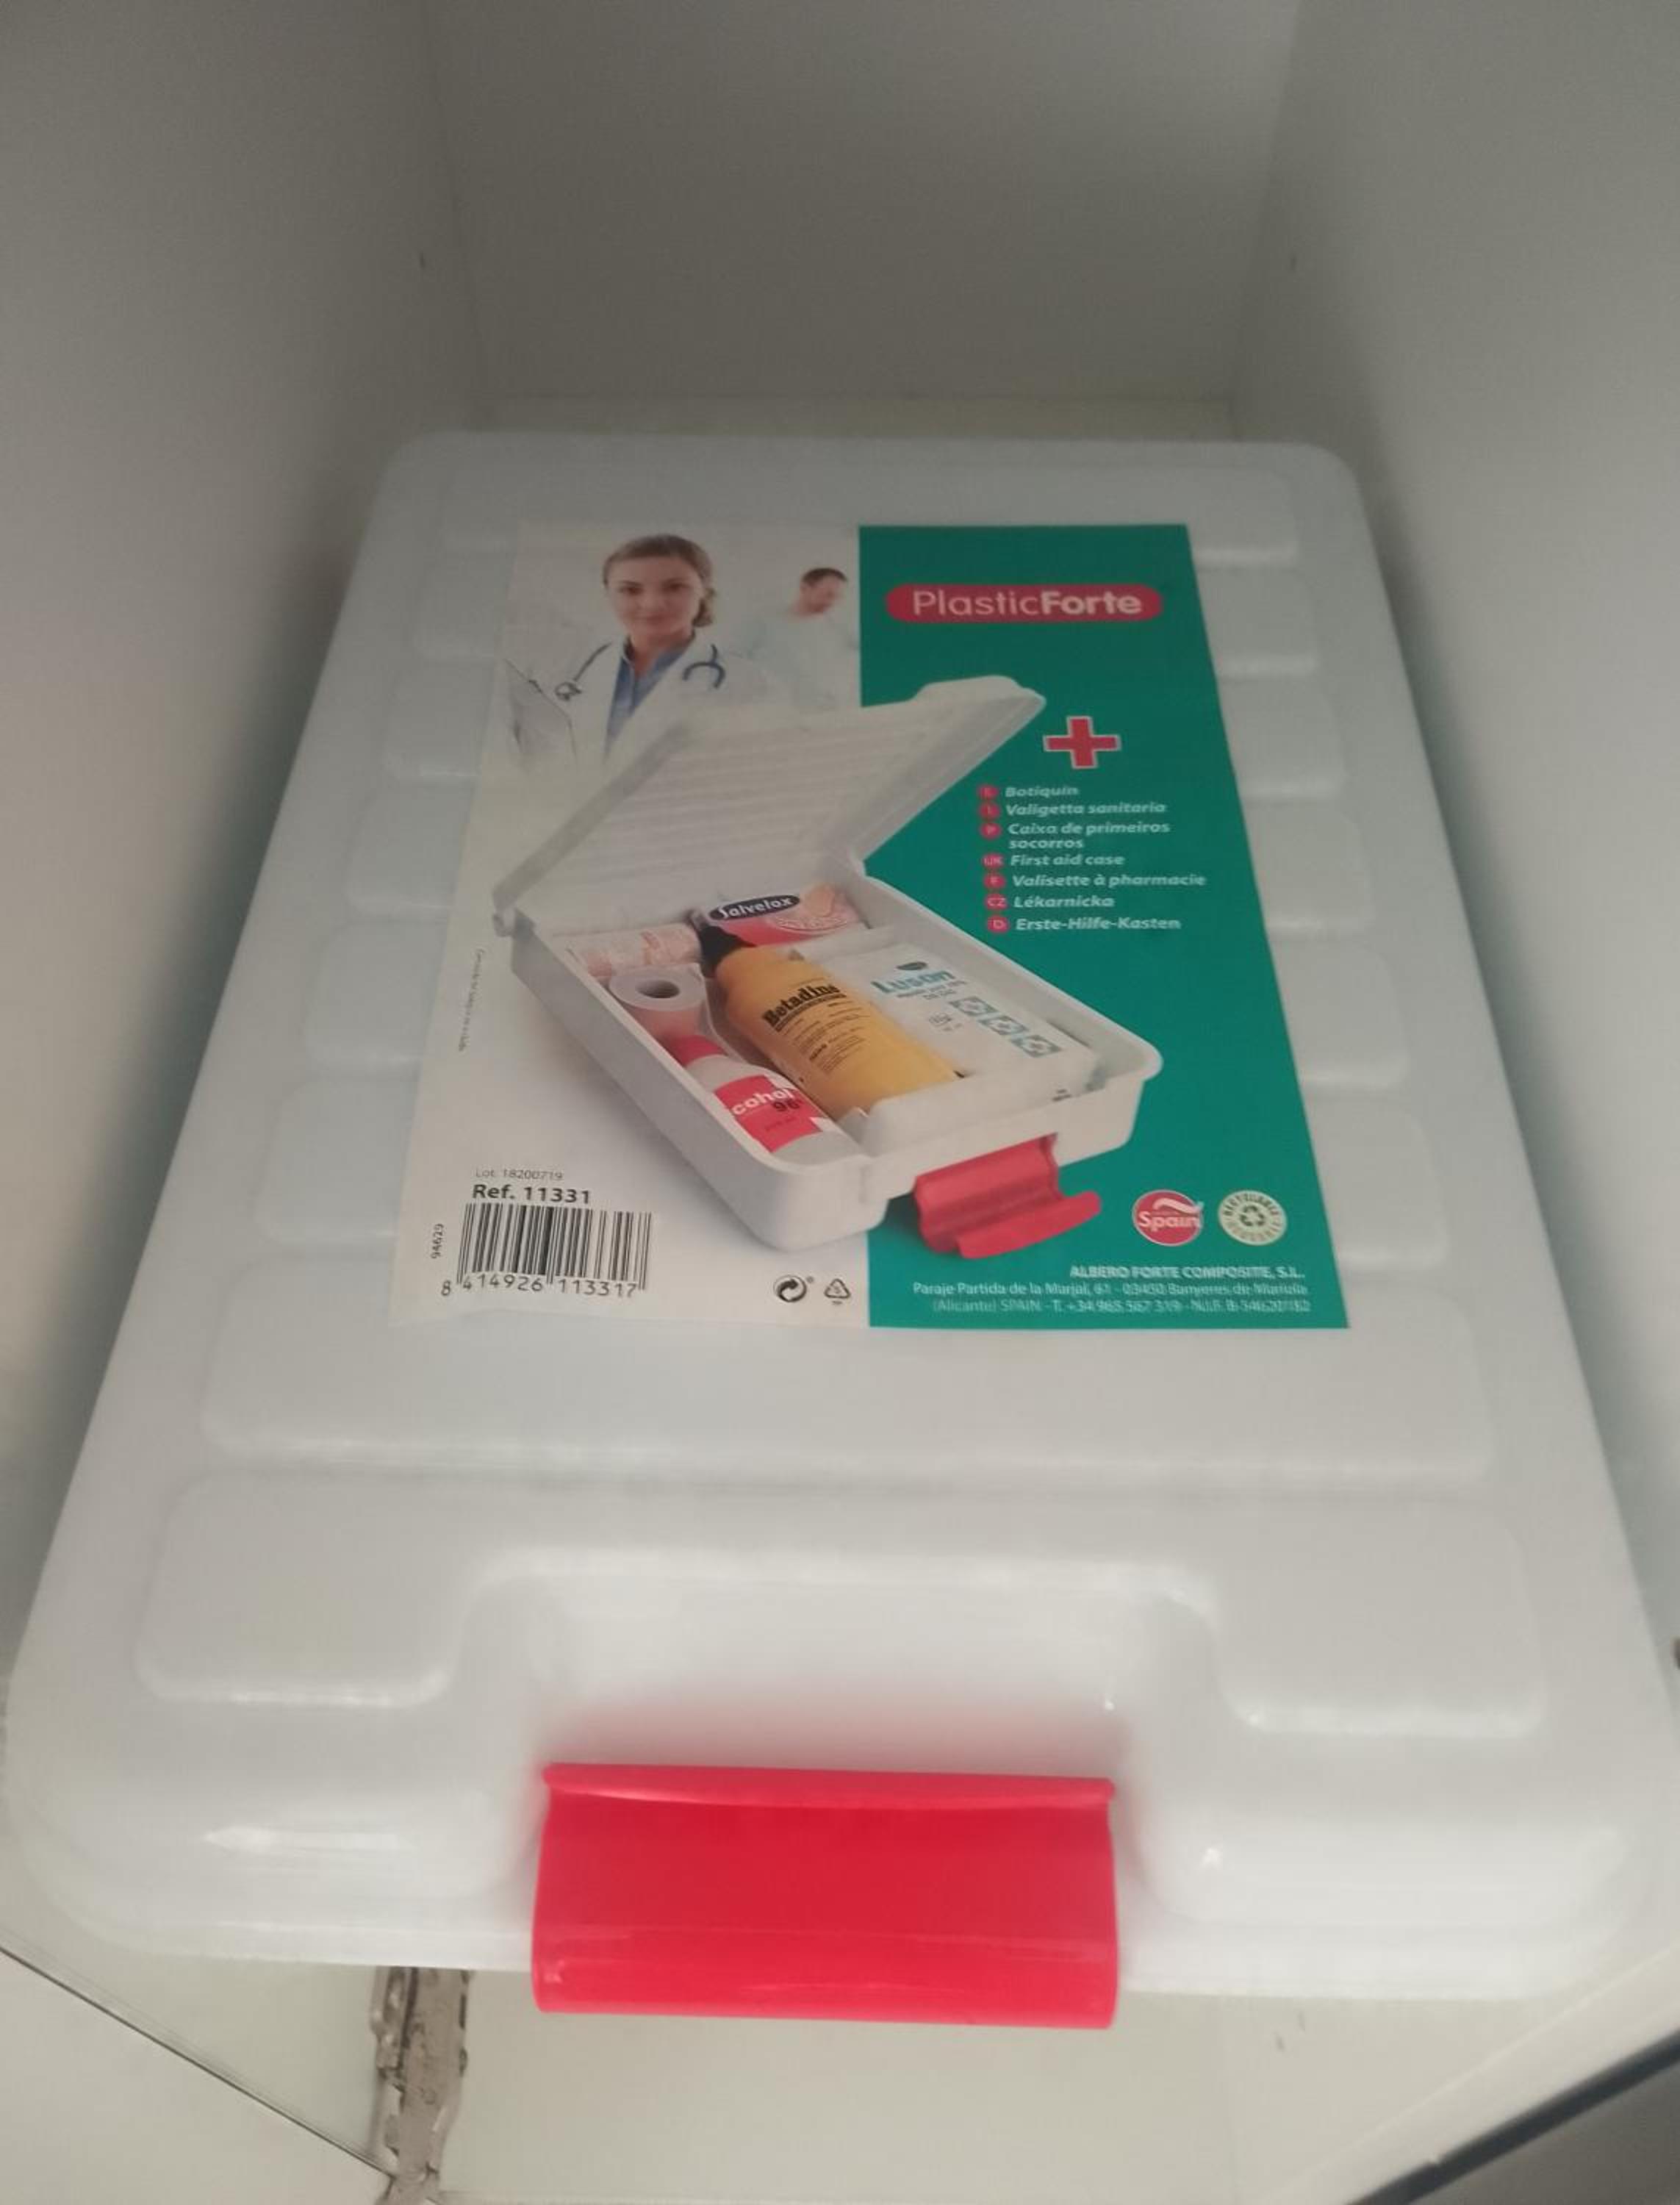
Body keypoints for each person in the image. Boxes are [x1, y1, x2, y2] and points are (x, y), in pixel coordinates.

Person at [505, 534, 785, 789]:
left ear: (704, 592)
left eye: (674, 587)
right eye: (630, 590)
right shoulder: (571, 672)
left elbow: (765, 776)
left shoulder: (748, 682)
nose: (651, 603)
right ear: (609, 594)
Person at [731, 566, 858, 710]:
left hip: (826, 711)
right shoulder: (764, 620)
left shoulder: (839, 627)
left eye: (838, 597)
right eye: (828, 595)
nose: (832, 602)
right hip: (773, 711)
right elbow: (732, 658)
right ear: (805, 588)